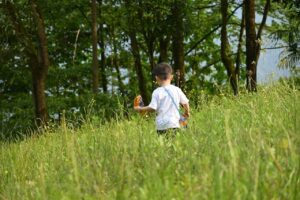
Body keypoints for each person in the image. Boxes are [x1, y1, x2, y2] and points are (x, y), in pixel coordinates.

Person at [134, 62, 190, 136]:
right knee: (175, 144)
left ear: (156, 78)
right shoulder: (176, 89)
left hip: (161, 126)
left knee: (164, 145)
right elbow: (185, 103)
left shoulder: (157, 92)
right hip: (175, 124)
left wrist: (140, 109)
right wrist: (187, 112)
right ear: (171, 77)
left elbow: (152, 108)